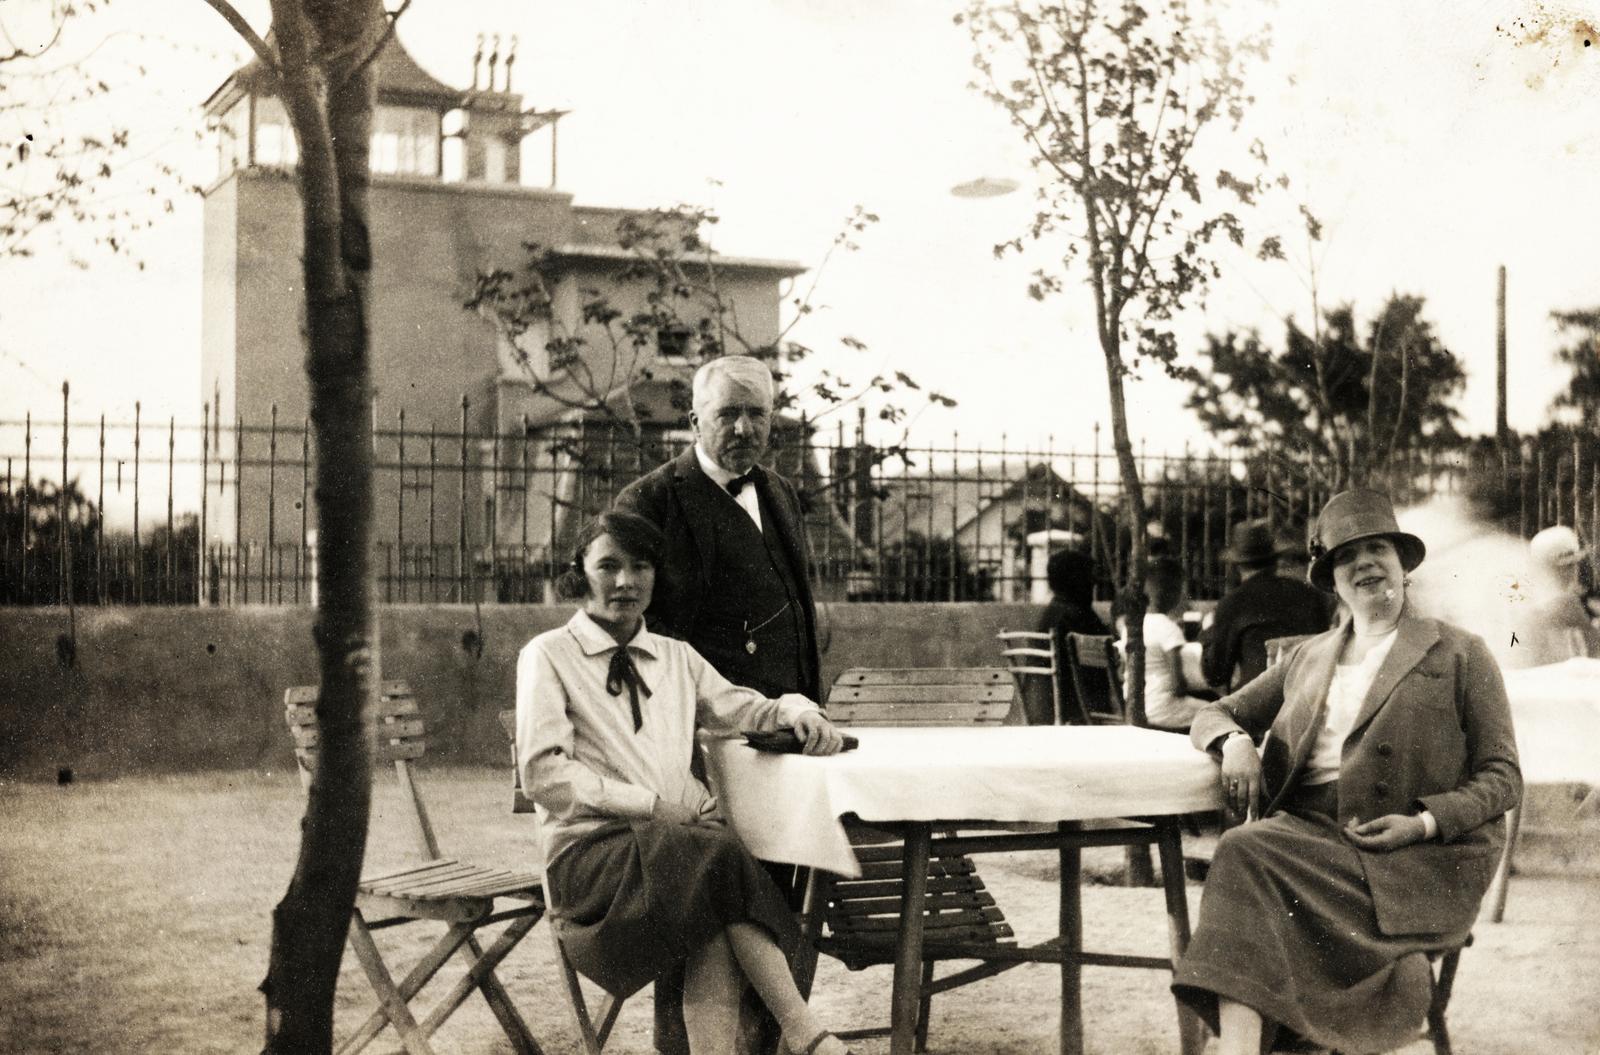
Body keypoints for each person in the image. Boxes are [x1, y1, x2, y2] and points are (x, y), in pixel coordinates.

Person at [1172, 490, 1521, 1055]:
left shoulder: (1461, 653)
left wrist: (1425, 823)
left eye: (1377, 548)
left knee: (1243, 851)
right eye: (1345, 556)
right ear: (1331, 579)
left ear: (1404, 564)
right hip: (1310, 836)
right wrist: (1235, 741)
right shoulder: (1308, 656)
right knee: (1249, 855)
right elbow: (1217, 710)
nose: (1363, 563)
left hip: (1409, 855)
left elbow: (1503, 775)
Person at [516, 511, 855, 1055]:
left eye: (641, 565)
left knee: (712, 901)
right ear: (579, 571)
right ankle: (804, 1029)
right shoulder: (548, 655)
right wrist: (649, 806)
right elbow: (543, 773)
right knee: (715, 859)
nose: (626, 582)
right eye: (608, 565)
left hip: (675, 860)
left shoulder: (676, 657)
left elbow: (743, 708)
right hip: (589, 861)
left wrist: (794, 706)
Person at [612, 355, 821, 1054]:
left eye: (756, 412)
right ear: (693, 416)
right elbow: (617, 619)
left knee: (775, 897)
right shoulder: (652, 500)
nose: (742, 427)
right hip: (698, 745)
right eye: (727, 412)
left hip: (782, 738)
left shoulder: (781, 493)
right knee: (705, 902)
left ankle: (761, 1043)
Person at [1200, 520, 1333, 692]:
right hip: (1310, 697)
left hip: (1259, 705)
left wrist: (1208, 633)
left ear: (1236, 566)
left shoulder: (1233, 602)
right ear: (1275, 561)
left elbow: (1215, 675)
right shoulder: (1311, 594)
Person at [1023, 548, 1111, 724]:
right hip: (1079, 716)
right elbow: (1109, 659)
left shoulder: (1052, 614)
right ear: (1076, 581)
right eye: (1089, 577)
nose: (1094, 583)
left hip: (1041, 713)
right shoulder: (1078, 616)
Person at [1123, 557, 1209, 730]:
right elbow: (1178, 686)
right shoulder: (1169, 629)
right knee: (1220, 713)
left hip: (1135, 706)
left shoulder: (1133, 626)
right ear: (1175, 594)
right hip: (1164, 710)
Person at [1511, 524, 1600, 668]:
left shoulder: (1578, 603)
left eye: (1573, 565)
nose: (1572, 572)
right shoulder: (1562, 605)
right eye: (1566, 566)